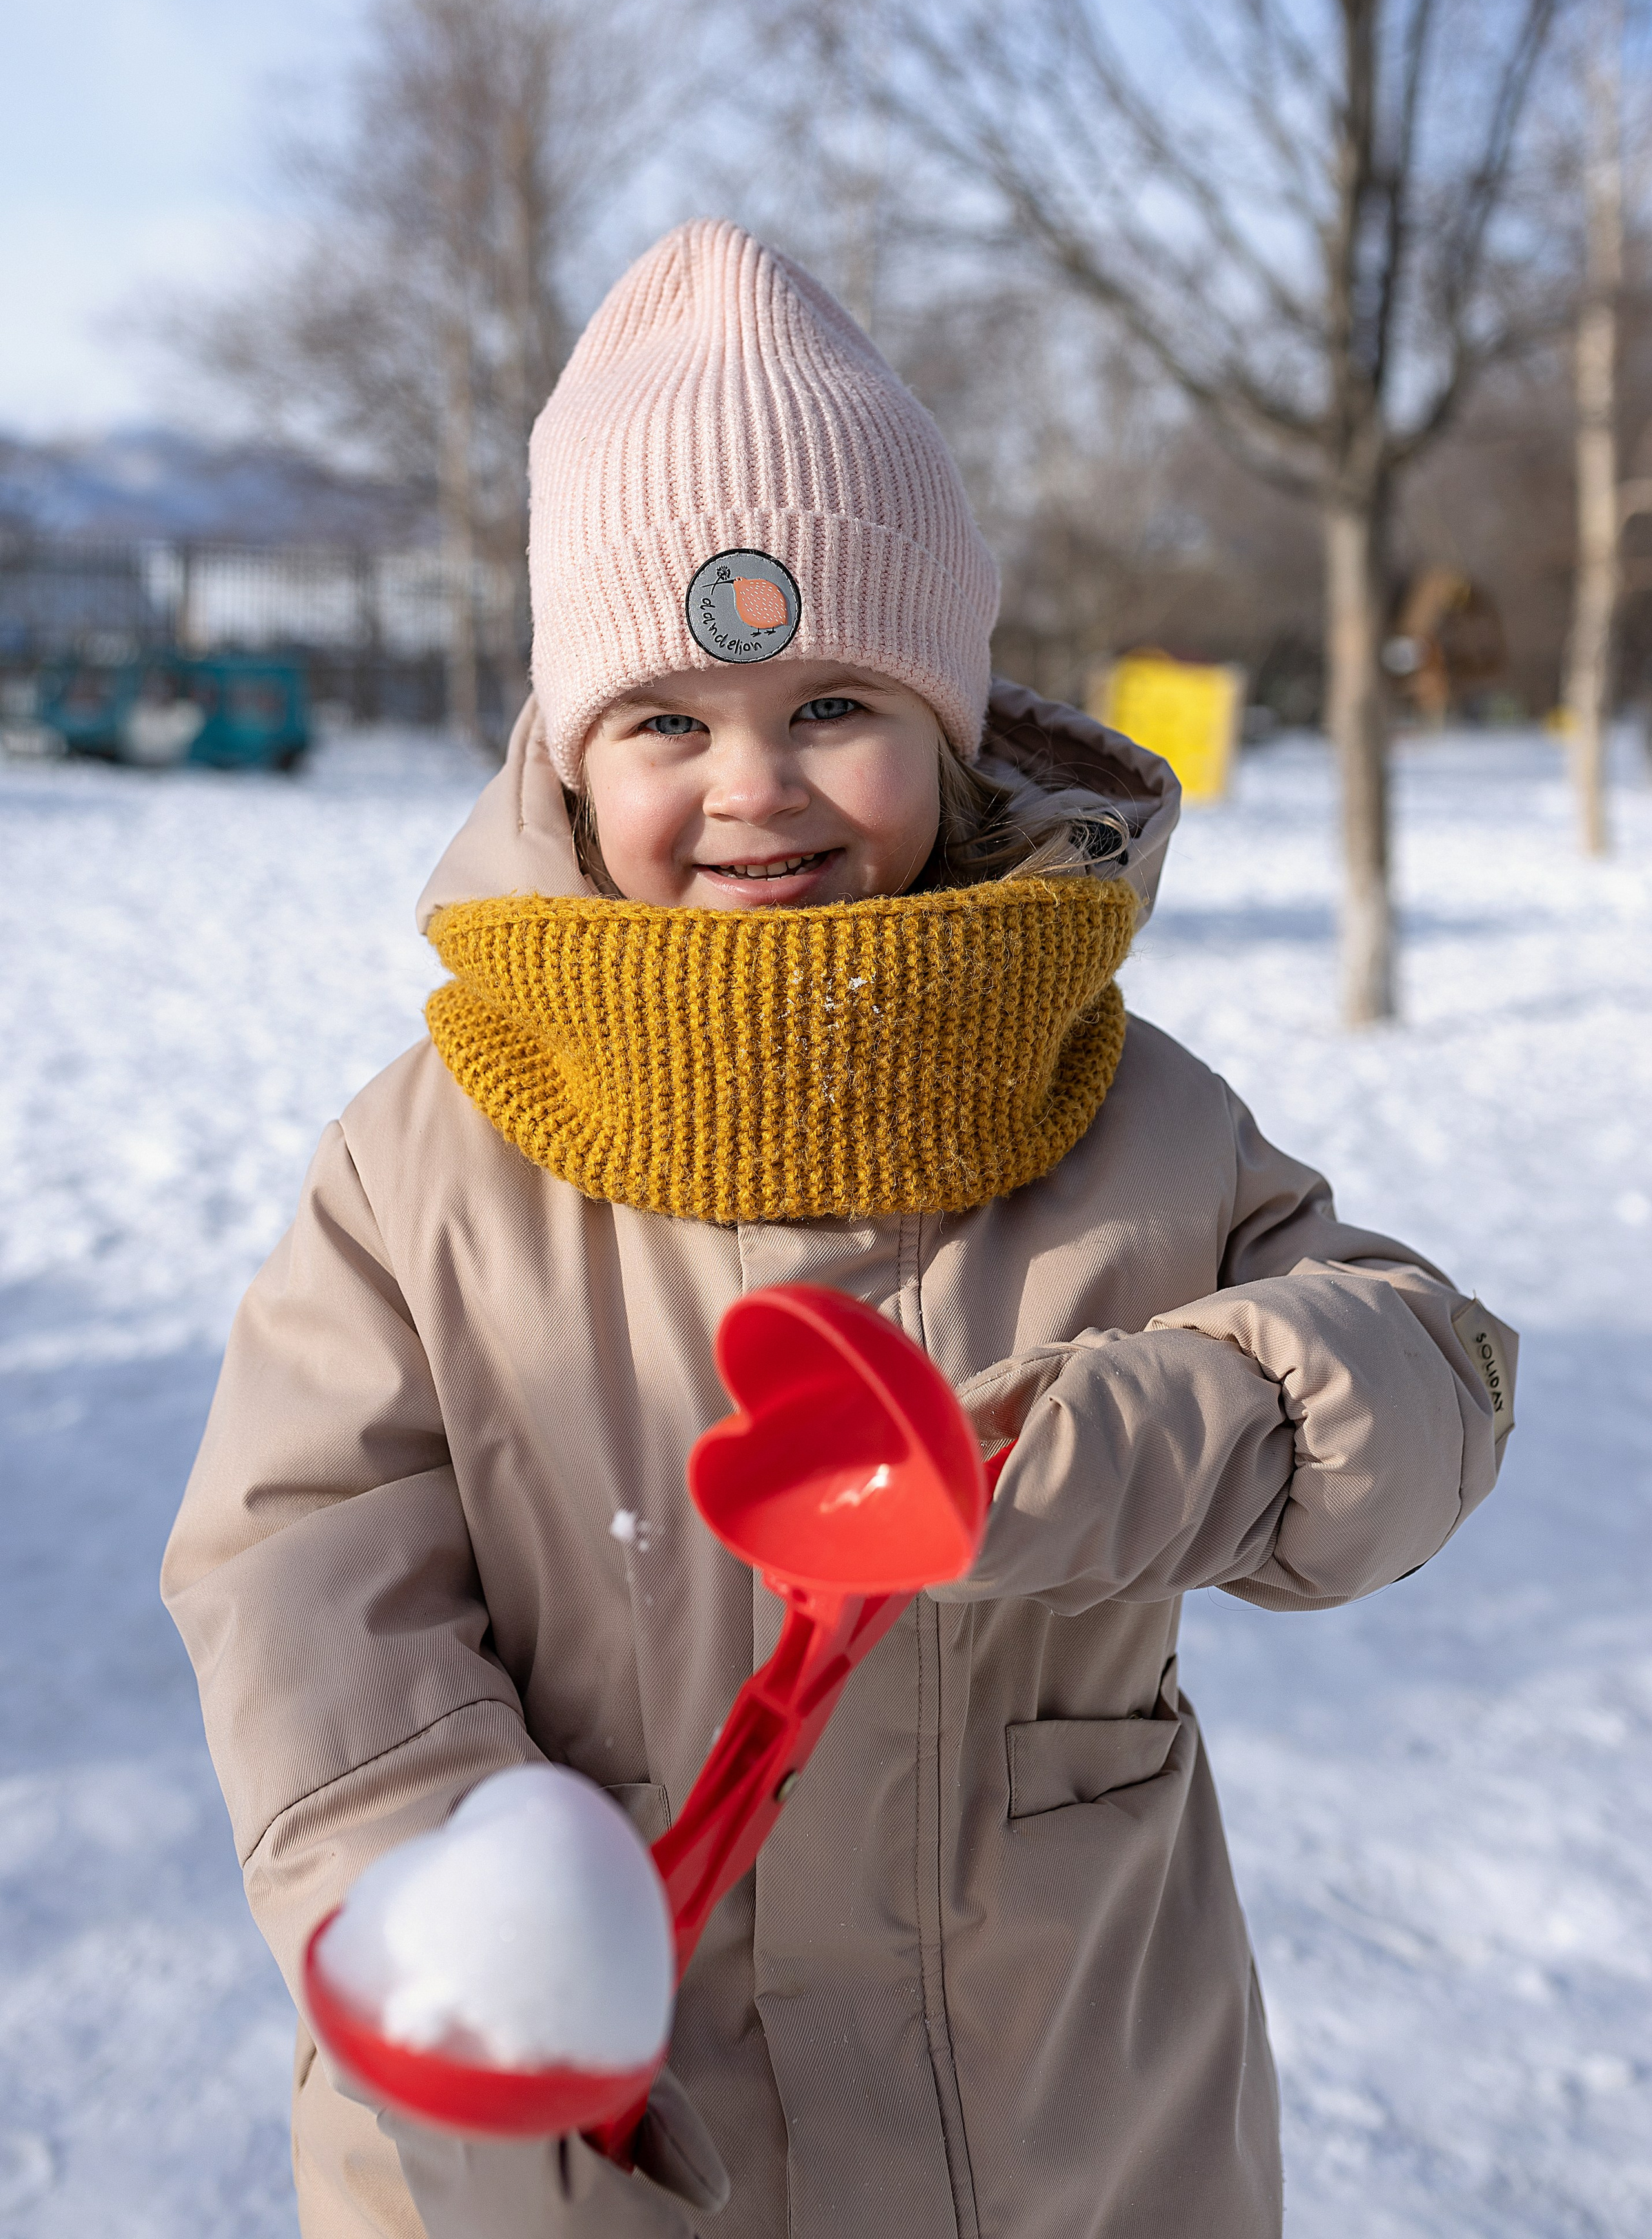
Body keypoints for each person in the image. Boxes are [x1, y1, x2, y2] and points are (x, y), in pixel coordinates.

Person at [163, 218, 1517, 2239]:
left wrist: (1101, 1447)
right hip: (582, 2165)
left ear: (950, 723)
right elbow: (302, 1577)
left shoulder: (1118, 1108)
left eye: (833, 702)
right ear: (567, 753)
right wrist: (464, 1918)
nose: (755, 788)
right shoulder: (429, 1164)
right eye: (668, 719)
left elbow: (1424, 1380)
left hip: (1070, 2144)